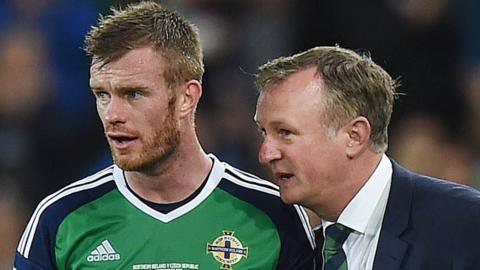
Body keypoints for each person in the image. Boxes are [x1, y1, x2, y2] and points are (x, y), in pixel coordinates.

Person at [13, 2, 316, 270]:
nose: (112, 114)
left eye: (133, 94)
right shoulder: (59, 220)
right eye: (102, 94)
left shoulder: (273, 217)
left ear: (187, 97)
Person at [254, 46, 480, 270]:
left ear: (355, 136)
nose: (265, 154)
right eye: (264, 132)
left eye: (285, 132)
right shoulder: (286, 248)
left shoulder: (464, 225)